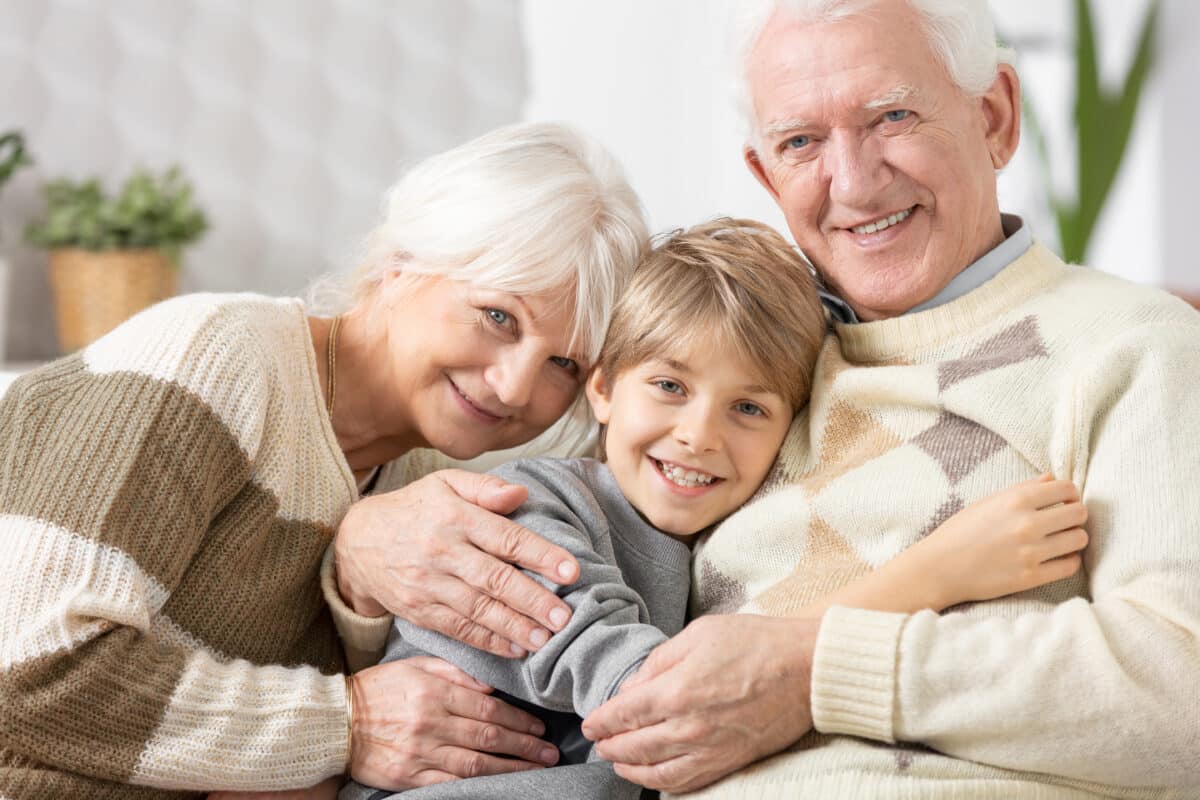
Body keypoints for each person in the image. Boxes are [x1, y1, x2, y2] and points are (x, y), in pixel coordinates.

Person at [331, 1, 1200, 798]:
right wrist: (361, 547)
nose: (854, 182)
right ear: (763, 170)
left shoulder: (1130, 348)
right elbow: (537, 504)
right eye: (801, 143)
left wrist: (817, 666)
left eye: (892, 115)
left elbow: (1182, 696)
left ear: (994, 117)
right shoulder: (750, 349)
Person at [0, 121, 649, 798]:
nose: (516, 386)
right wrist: (350, 723)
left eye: (563, 364)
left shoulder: (432, 493)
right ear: (402, 264)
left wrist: (360, 582)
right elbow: (30, 673)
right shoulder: (215, 357)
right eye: (498, 317)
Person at [340, 219, 1088, 800]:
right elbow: (655, 702)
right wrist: (941, 571)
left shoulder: (711, 545)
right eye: (668, 386)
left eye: (749, 408)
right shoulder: (528, 512)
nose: (700, 434)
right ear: (601, 387)